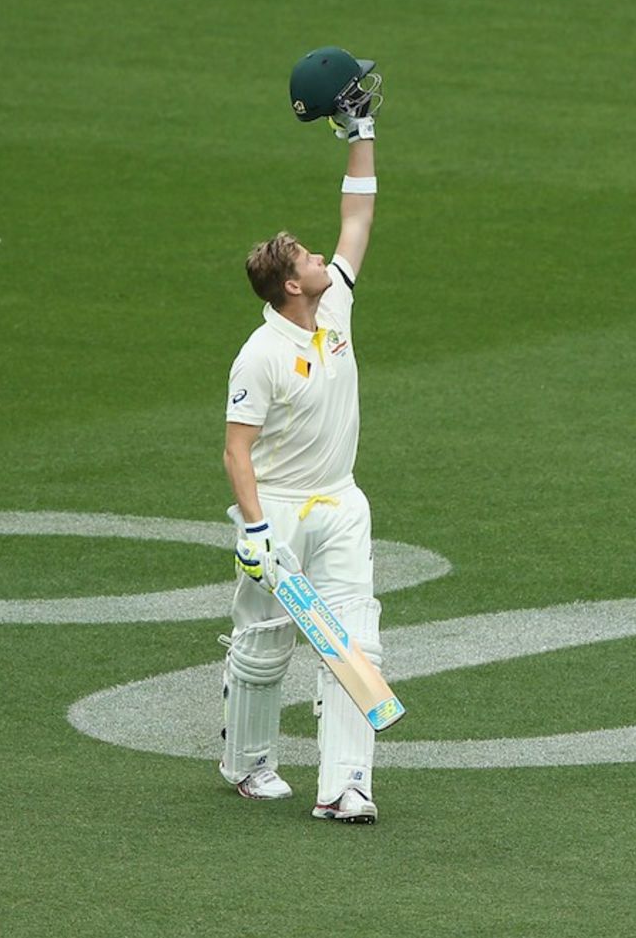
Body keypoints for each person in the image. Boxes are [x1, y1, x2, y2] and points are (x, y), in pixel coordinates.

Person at [220, 59, 382, 824]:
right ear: (290, 286)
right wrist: (253, 528)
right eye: (309, 260)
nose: (325, 259)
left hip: (342, 501)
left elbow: (357, 216)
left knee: (355, 641)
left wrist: (362, 135)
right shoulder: (258, 355)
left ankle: (345, 783)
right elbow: (235, 448)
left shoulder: (336, 305)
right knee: (263, 647)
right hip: (279, 511)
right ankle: (248, 763)